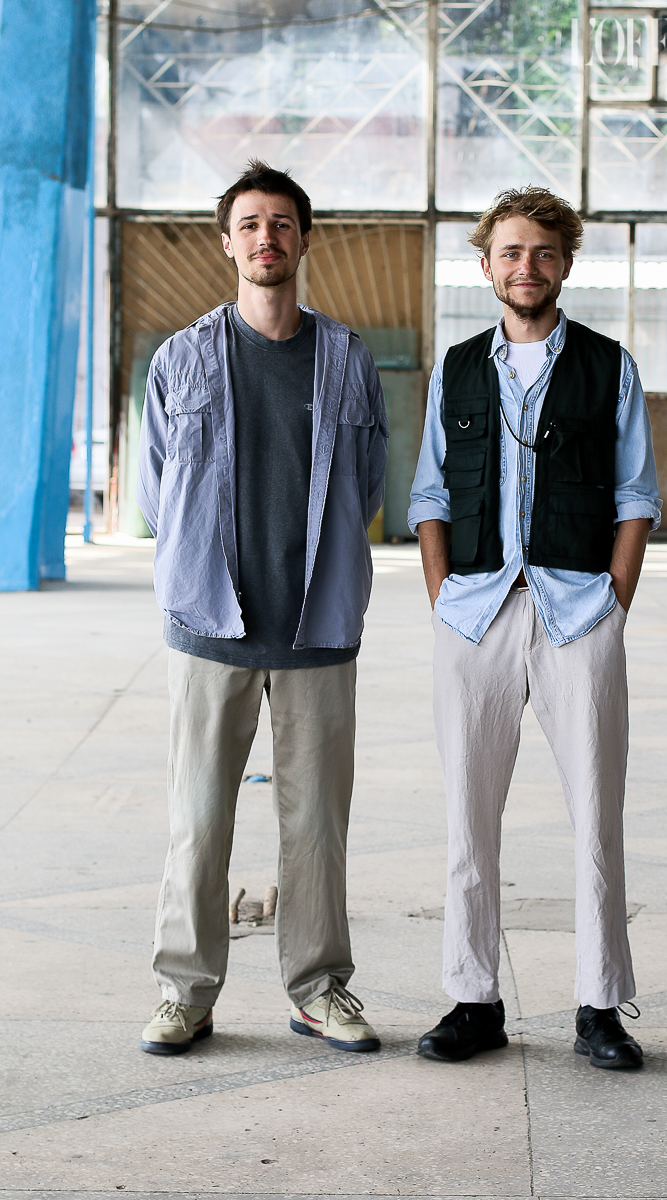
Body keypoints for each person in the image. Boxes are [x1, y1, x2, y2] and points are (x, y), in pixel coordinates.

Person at [136, 160, 388, 1056]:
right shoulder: (181, 359)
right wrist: (202, 564)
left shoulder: (348, 358)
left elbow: (366, 484)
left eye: (281, 223)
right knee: (199, 820)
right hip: (210, 626)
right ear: (227, 243)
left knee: (316, 826)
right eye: (249, 224)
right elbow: (157, 495)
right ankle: (185, 992)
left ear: (304, 239)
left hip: (318, 626)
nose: (266, 238)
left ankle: (319, 990)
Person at [408, 187, 661, 1069]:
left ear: (565, 264)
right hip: (474, 615)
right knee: (467, 814)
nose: (527, 267)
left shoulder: (609, 366)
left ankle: (600, 1007)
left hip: (579, 612)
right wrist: (441, 593)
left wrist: (615, 598)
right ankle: (472, 1001)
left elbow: (636, 494)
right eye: (511, 252)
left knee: (596, 814)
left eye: (544, 252)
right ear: (486, 266)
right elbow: (430, 492)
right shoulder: (455, 369)